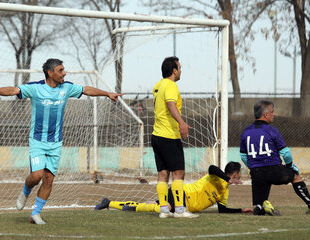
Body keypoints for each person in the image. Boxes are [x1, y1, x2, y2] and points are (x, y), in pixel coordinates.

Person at [0, 58, 123, 224]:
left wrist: (107, 93)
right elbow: (13, 90)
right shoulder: (35, 88)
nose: (64, 73)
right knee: (37, 175)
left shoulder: (66, 87)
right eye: (60, 70)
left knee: (48, 179)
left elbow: (86, 90)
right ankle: (26, 191)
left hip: (56, 142)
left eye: (63, 70)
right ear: (50, 73)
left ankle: (35, 214)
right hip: (38, 140)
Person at [240, 100, 310, 216]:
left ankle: (262, 206)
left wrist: (252, 166)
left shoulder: (246, 132)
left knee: (258, 207)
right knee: (295, 177)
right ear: (266, 115)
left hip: (256, 173)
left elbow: (243, 155)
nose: (274, 114)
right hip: (274, 170)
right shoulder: (272, 130)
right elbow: (285, 153)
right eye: (272, 111)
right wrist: (290, 166)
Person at [95, 162, 253, 215]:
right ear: (235, 174)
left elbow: (223, 210)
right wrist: (227, 178)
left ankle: (109, 203)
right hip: (181, 195)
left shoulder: (225, 191)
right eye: (239, 173)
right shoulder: (216, 176)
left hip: (185, 205)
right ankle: (113, 204)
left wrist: (241, 210)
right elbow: (212, 167)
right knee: (164, 209)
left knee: (154, 206)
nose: (240, 176)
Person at [150, 56, 195, 218]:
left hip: (157, 135)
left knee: (163, 173)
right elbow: (170, 104)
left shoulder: (158, 85)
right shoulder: (171, 86)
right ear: (174, 70)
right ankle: (179, 210)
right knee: (178, 172)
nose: (181, 70)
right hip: (169, 136)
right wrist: (182, 123)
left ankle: (164, 210)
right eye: (180, 67)